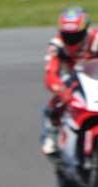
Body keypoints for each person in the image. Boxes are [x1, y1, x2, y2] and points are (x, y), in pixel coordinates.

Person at [42, 7, 98, 157]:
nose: (71, 40)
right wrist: (61, 91)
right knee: (54, 106)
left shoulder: (96, 39)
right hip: (71, 79)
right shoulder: (56, 45)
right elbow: (50, 74)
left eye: (76, 35)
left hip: (95, 76)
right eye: (67, 35)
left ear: (85, 30)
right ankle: (51, 136)